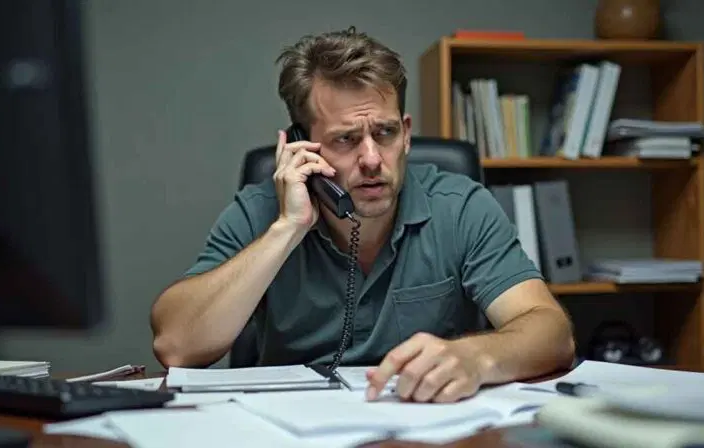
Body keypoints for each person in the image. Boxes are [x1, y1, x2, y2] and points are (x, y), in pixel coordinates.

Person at [150, 27, 575, 403]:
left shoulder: (461, 205)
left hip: (425, 420)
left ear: (406, 134)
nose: (372, 159)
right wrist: (286, 229)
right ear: (303, 145)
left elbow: (552, 333)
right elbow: (176, 344)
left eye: (385, 133)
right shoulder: (259, 211)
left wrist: (475, 357)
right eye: (346, 139)